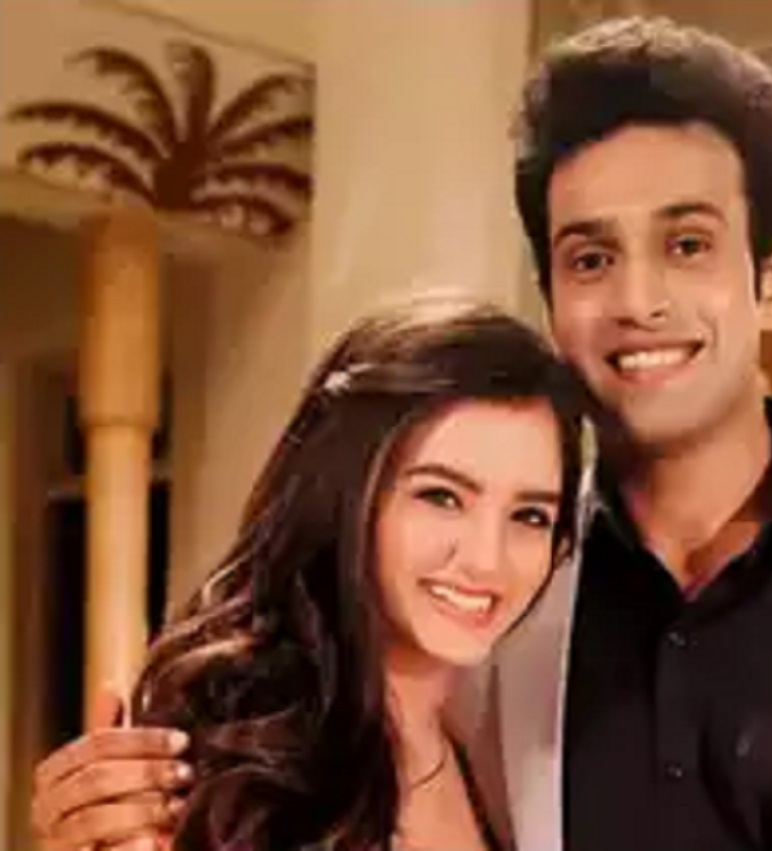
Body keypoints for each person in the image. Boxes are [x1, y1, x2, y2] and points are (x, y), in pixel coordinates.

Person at [33, 16, 772, 851]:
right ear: (552, 290)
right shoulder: (487, 618)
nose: (638, 300)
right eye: (592, 257)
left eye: (687, 244)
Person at [31, 294, 586, 851]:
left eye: (530, 516)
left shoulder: (492, 753)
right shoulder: (231, 750)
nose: (487, 559)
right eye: (441, 496)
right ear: (346, 492)